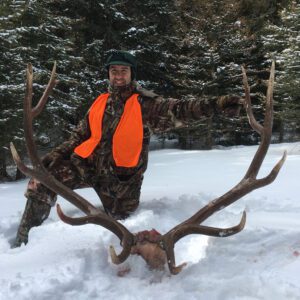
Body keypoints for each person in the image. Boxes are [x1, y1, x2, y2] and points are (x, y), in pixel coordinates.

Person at [14, 50, 242, 247]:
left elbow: (181, 109)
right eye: (114, 71)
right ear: (109, 74)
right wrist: (53, 156)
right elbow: (79, 137)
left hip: (121, 181)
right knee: (43, 179)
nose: (118, 75)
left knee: (119, 220)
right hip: (86, 166)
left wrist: (217, 105)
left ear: (132, 74)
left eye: (123, 71)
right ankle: (25, 240)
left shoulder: (145, 104)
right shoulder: (100, 101)